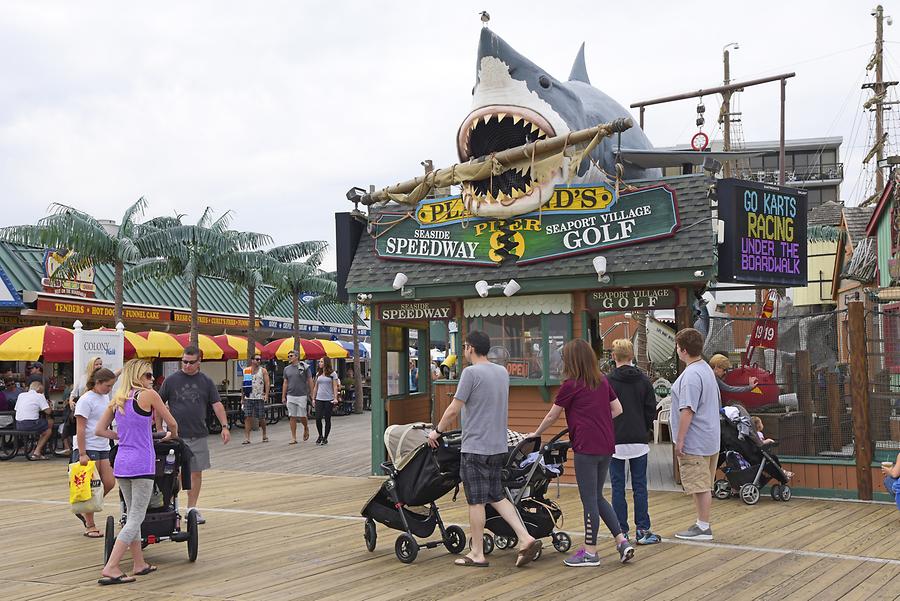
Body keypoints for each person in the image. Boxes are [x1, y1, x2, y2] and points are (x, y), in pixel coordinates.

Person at [428, 330, 541, 569]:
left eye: (465, 347)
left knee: (476, 501)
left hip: (475, 447)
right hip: (498, 446)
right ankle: (525, 537)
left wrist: (436, 431)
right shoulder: (501, 372)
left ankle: (477, 553)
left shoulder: (470, 373)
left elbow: (453, 409)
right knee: (497, 495)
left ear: (470, 348)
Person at [528, 338, 634, 567]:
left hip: (586, 447)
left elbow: (552, 416)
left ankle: (591, 552)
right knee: (597, 496)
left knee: (589, 500)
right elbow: (618, 409)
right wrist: (597, 419)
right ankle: (622, 541)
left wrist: (535, 434)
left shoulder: (571, 385)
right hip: (606, 445)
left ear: (572, 361)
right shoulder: (602, 381)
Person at [95, 359, 179, 585]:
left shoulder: (117, 400)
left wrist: (120, 437)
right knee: (136, 516)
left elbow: (100, 430)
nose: (152, 380)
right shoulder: (148, 395)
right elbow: (172, 423)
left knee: (131, 513)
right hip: (142, 462)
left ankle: (138, 563)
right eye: (149, 375)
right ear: (139, 376)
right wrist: (169, 434)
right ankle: (111, 566)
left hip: (122, 462)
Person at [158, 345, 231, 524]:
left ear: (199, 362)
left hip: (198, 433)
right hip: (175, 435)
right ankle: (169, 506)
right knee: (173, 473)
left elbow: (217, 404)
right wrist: (159, 428)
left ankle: (192, 508)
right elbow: (158, 404)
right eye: (184, 362)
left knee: (196, 473)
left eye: (191, 362)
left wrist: (224, 426)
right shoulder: (171, 380)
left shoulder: (206, 381)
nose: (187, 365)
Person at [606, 339, 661, 546]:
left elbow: (604, 410)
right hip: (638, 439)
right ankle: (643, 530)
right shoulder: (644, 380)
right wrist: (643, 427)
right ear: (631, 356)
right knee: (640, 485)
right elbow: (651, 410)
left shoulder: (608, 381)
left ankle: (621, 531)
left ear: (614, 356)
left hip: (615, 440)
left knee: (617, 486)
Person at [671, 328, 721, 541]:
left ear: (682, 350)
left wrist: (680, 439)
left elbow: (687, 409)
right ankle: (702, 523)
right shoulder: (706, 370)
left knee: (699, 485)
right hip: (710, 436)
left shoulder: (691, 375)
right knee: (704, 483)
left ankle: (703, 526)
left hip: (695, 439)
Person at [72, 367, 117, 538]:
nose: (109, 389)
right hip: (88, 445)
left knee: (109, 482)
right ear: (97, 383)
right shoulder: (86, 400)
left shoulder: (105, 397)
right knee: (91, 487)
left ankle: (86, 511)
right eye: (107, 385)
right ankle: (89, 524)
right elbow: (81, 428)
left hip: (103, 445)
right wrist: (82, 453)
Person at [15, 381, 53, 459]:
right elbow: (48, 411)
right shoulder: (39, 396)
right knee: (49, 426)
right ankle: (38, 450)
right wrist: (49, 404)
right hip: (31, 423)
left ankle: (38, 441)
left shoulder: (21, 395)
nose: (43, 391)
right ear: (39, 388)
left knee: (42, 425)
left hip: (18, 424)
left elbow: (16, 409)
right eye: (42, 389)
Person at [282, 351, 313, 444]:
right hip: (290, 394)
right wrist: (283, 395)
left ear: (297, 357)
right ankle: (293, 437)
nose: (289, 357)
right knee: (292, 416)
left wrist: (312, 393)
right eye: (288, 356)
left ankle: (305, 427)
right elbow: (285, 382)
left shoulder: (304, 367)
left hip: (302, 394)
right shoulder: (286, 369)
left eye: (291, 356)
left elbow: (310, 380)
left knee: (302, 415)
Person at [241, 353, 270, 444]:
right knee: (247, 417)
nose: (259, 361)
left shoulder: (263, 370)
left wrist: (266, 394)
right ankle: (247, 438)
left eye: (260, 359)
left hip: (259, 396)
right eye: (257, 359)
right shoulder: (246, 370)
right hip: (248, 396)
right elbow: (244, 385)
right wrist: (242, 397)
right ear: (252, 360)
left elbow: (267, 383)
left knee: (261, 417)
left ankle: (264, 434)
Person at [311, 357, 339, 445]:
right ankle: (320, 435)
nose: (320, 363)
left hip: (328, 399)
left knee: (327, 418)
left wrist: (335, 398)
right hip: (319, 398)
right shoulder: (318, 374)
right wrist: (313, 398)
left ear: (326, 363)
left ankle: (325, 437)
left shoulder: (332, 374)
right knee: (318, 418)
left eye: (321, 362)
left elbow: (335, 386)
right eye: (319, 361)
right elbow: (316, 387)